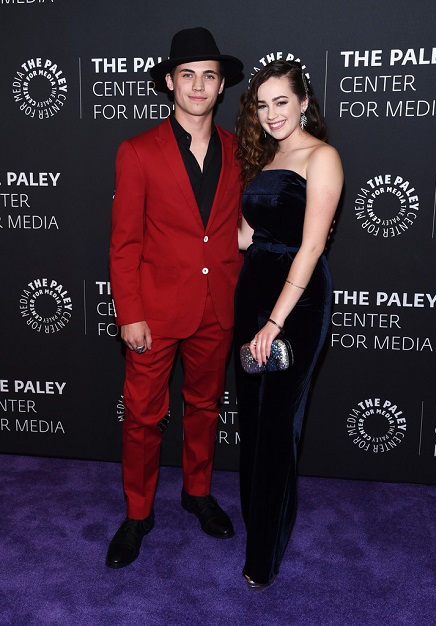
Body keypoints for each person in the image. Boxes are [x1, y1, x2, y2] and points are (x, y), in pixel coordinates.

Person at [106, 27, 244, 569]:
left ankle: (197, 492)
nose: (198, 85)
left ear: (220, 86)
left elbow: (232, 227)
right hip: (155, 312)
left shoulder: (239, 151)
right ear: (170, 82)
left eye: (209, 76)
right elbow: (124, 242)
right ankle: (138, 514)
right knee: (142, 416)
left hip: (217, 305)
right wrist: (129, 314)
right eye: (187, 75)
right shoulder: (137, 152)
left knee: (205, 407)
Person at [234, 59, 343, 589]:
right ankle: (258, 522)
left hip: (296, 304)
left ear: (303, 101)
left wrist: (274, 322)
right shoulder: (262, 156)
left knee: (278, 424)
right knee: (251, 421)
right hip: (252, 291)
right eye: (262, 104)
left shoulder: (322, 157)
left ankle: (263, 558)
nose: (272, 114)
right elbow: (243, 236)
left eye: (282, 102)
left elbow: (313, 244)